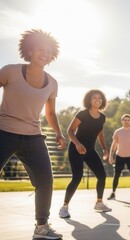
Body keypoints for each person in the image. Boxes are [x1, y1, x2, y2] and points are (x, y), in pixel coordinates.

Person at [0, 29, 65, 239]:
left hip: (33, 137)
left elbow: (51, 112)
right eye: (40, 49)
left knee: (45, 181)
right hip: (4, 132)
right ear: (29, 50)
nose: (44, 54)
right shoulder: (9, 71)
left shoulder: (52, 83)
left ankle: (42, 227)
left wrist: (58, 133)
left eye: (48, 50)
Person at [59, 89, 112, 219]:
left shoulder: (102, 117)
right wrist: (77, 144)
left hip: (90, 150)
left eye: (100, 98)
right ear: (89, 100)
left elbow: (100, 134)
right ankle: (64, 207)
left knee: (102, 175)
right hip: (76, 148)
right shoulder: (82, 114)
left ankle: (99, 203)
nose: (97, 100)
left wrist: (105, 149)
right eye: (94, 98)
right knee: (77, 177)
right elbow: (70, 131)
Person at [107, 114, 130, 200]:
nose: (126, 121)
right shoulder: (117, 132)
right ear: (122, 121)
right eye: (124, 120)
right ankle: (113, 193)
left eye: (128, 120)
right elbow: (114, 145)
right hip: (120, 156)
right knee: (116, 175)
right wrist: (111, 156)